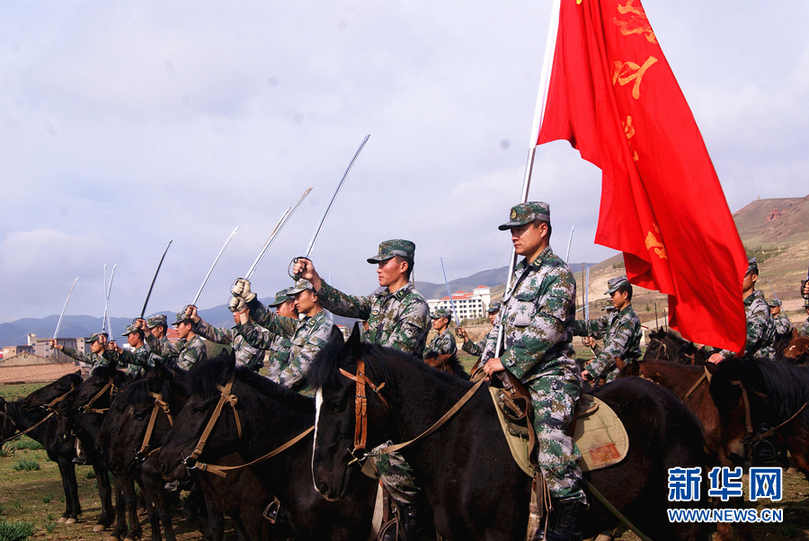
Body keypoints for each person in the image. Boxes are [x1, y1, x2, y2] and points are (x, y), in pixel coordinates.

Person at [290, 239, 431, 539]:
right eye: (377, 263)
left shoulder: (415, 305)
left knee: (390, 460)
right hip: (372, 395)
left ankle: (413, 518)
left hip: (401, 401)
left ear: (403, 266)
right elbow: (345, 304)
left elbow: (394, 360)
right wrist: (314, 279)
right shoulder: (378, 299)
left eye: (384, 263)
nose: (378, 269)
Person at [480, 201, 585, 541]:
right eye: (511, 229)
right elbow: (500, 328)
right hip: (511, 374)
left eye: (521, 228)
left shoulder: (557, 274)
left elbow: (548, 329)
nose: (514, 235)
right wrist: (486, 361)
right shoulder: (518, 276)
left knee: (552, 441)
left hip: (550, 374)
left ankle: (568, 517)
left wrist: (507, 362)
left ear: (543, 229)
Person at [236, 279, 334, 391]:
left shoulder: (324, 325)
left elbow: (303, 365)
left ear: (314, 296)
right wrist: (250, 299)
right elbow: (270, 320)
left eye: (298, 296)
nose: (295, 302)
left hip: (306, 398)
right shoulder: (305, 324)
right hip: (289, 392)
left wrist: (268, 387)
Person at [571, 276, 642, 386]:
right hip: (610, 375)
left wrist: (592, 370)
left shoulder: (629, 320)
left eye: (613, 294)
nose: (611, 298)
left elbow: (615, 349)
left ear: (625, 295)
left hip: (624, 379)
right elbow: (590, 326)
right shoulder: (613, 317)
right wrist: (567, 325)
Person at [708, 258, 776, 363]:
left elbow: (751, 337)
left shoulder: (759, 307)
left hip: (760, 366)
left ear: (754, 277)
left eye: (742, 275)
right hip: (736, 361)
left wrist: (723, 355)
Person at [187, 302, 265, 372]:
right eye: (233, 312)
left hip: (248, 382)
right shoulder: (237, 333)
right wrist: (196, 320)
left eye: (237, 311)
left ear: (247, 312)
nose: (234, 315)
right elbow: (215, 333)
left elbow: (242, 363)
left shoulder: (256, 334)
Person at [423, 307, 466, 378]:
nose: (434, 321)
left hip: (447, 376)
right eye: (433, 319)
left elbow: (436, 357)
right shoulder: (437, 337)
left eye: (437, 319)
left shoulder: (448, 338)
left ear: (445, 320)